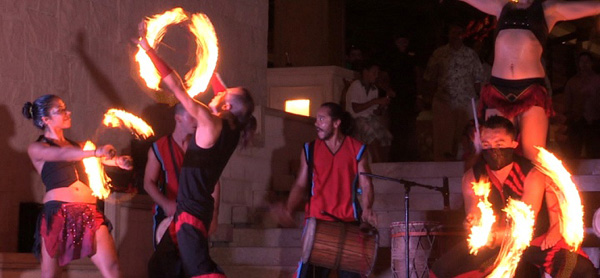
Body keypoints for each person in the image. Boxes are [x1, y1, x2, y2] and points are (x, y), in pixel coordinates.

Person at [135, 22, 256, 278]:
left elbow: (177, 87)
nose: (218, 91)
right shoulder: (234, 128)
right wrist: (208, 54)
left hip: (190, 213)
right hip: (191, 209)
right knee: (160, 266)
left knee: (202, 272)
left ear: (226, 107)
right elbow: (224, 91)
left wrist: (148, 49)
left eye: (224, 94)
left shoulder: (209, 122)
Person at [430, 116, 596, 278]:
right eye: (487, 144)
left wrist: (496, 236)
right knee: (441, 270)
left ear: (513, 144)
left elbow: (524, 224)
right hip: (493, 245)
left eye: (499, 144)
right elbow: (474, 211)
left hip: (535, 242)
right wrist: (473, 223)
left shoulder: (531, 173)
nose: (493, 149)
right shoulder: (472, 176)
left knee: (582, 269)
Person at [461, 0, 600, 161]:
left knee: (533, 157)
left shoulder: (548, 10)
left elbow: (594, 6)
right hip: (498, 91)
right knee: (496, 156)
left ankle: (532, 185)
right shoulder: (502, 7)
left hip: (530, 91)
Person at [23, 94, 132, 278]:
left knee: (112, 268)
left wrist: (119, 161)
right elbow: (63, 155)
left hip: (89, 213)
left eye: (66, 108)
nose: (68, 113)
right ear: (46, 119)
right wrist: (96, 151)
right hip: (58, 212)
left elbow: (102, 159)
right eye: (61, 110)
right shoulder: (37, 148)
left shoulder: (81, 146)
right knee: (51, 274)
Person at [276, 102, 377, 278]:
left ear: (336, 123)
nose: (317, 123)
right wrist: (289, 208)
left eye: (322, 119)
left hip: (348, 223)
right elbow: (300, 184)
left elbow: (366, 183)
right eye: (317, 119)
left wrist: (367, 208)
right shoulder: (310, 149)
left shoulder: (357, 148)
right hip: (317, 223)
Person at [144, 103, 222, 277]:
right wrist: (165, 203)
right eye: (191, 117)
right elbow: (148, 182)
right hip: (168, 216)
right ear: (178, 118)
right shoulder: (159, 147)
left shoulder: (202, 146)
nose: (196, 121)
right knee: (167, 266)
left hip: (195, 214)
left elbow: (214, 182)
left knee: (193, 265)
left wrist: (214, 215)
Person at [423, 23, 484, 161]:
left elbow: (478, 79)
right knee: (443, 138)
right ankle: (442, 169)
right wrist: (427, 97)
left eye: (459, 33)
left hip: (466, 101)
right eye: (453, 32)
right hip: (444, 101)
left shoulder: (471, 54)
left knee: (466, 137)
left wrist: (479, 100)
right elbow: (430, 77)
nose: (456, 36)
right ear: (448, 35)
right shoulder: (439, 53)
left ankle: (466, 166)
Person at [383, 33, 421, 161]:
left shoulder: (411, 57)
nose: (403, 43)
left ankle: (411, 156)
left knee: (410, 125)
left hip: (409, 96)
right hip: (396, 97)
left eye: (405, 41)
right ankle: (396, 156)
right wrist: (388, 90)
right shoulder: (390, 57)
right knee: (396, 125)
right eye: (400, 41)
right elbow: (385, 76)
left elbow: (417, 76)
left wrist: (418, 96)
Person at [345, 61, 393, 162]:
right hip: (355, 119)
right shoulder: (356, 85)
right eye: (374, 73)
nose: (376, 76)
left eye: (377, 73)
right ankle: (377, 163)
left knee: (386, 136)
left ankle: (385, 163)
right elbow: (356, 109)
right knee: (371, 132)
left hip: (369, 118)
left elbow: (374, 112)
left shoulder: (374, 89)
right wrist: (374, 101)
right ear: (365, 72)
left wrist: (381, 106)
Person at [562, 52, 600, 159]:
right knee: (574, 151)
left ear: (591, 63)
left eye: (587, 61)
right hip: (577, 120)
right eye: (582, 61)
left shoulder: (598, 80)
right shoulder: (572, 82)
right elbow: (567, 102)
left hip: (595, 121)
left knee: (595, 151)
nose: (584, 64)